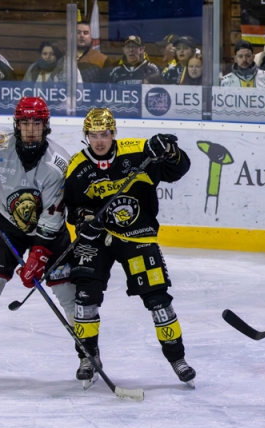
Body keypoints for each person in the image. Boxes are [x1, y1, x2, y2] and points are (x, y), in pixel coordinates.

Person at [63, 108, 196, 388]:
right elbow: (73, 207)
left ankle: (177, 358)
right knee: (85, 299)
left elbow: (177, 170)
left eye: (105, 134)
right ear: (86, 136)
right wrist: (83, 219)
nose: (100, 140)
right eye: (94, 135)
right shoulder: (77, 167)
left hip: (137, 234)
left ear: (114, 134)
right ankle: (88, 357)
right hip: (97, 240)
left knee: (159, 299)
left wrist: (171, 151)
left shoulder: (139, 153)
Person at [0, 97, 77, 388]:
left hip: (48, 234)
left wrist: (39, 255)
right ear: (16, 125)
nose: (30, 130)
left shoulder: (58, 163)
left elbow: (53, 217)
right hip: (4, 226)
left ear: (46, 126)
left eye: (36, 123)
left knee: (70, 296)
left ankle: (88, 354)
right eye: (25, 123)